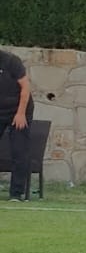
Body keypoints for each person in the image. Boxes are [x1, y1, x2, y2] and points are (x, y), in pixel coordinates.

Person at [0, 48, 34, 202]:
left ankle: (16, 193)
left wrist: (20, 113)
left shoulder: (10, 61)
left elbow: (25, 87)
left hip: (19, 110)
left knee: (19, 151)